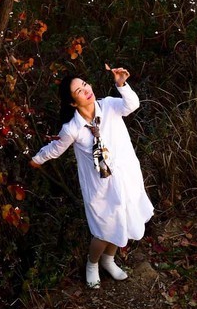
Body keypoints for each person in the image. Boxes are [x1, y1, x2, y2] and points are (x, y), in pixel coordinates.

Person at [29, 65, 154, 288]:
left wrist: (121, 85)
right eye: (78, 91)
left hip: (124, 178)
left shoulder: (109, 106)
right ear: (72, 102)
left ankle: (109, 260)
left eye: (85, 84)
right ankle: (92, 263)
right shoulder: (72, 128)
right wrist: (37, 159)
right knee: (103, 230)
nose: (86, 89)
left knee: (121, 221)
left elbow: (132, 104)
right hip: (99, 187)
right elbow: (56, 149)